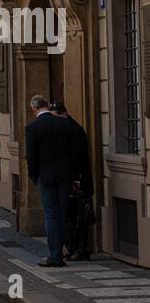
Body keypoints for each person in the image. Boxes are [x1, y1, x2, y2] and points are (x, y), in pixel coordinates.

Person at [25, 94, 81, 267]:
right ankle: (69, 248)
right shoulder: (64, 124)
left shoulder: (33, 127)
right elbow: (74, 153)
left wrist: (35, 177)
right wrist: (74, 176)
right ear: (48, 105)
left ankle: (55, 255)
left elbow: (31, 158)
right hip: (65, 176)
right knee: (62, 213)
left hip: (46, 177)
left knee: (51, 214)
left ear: (34, 109)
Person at [51, 100, 94, 261]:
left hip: (78, 181)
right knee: (70, 216)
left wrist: (76, 179)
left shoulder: (75, 130)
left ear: (64, 114)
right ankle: (72, 247)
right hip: (69, 180)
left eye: (56, 116)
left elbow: (78, 159)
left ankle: (81, 249)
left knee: (80, 218)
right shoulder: (64, 129)